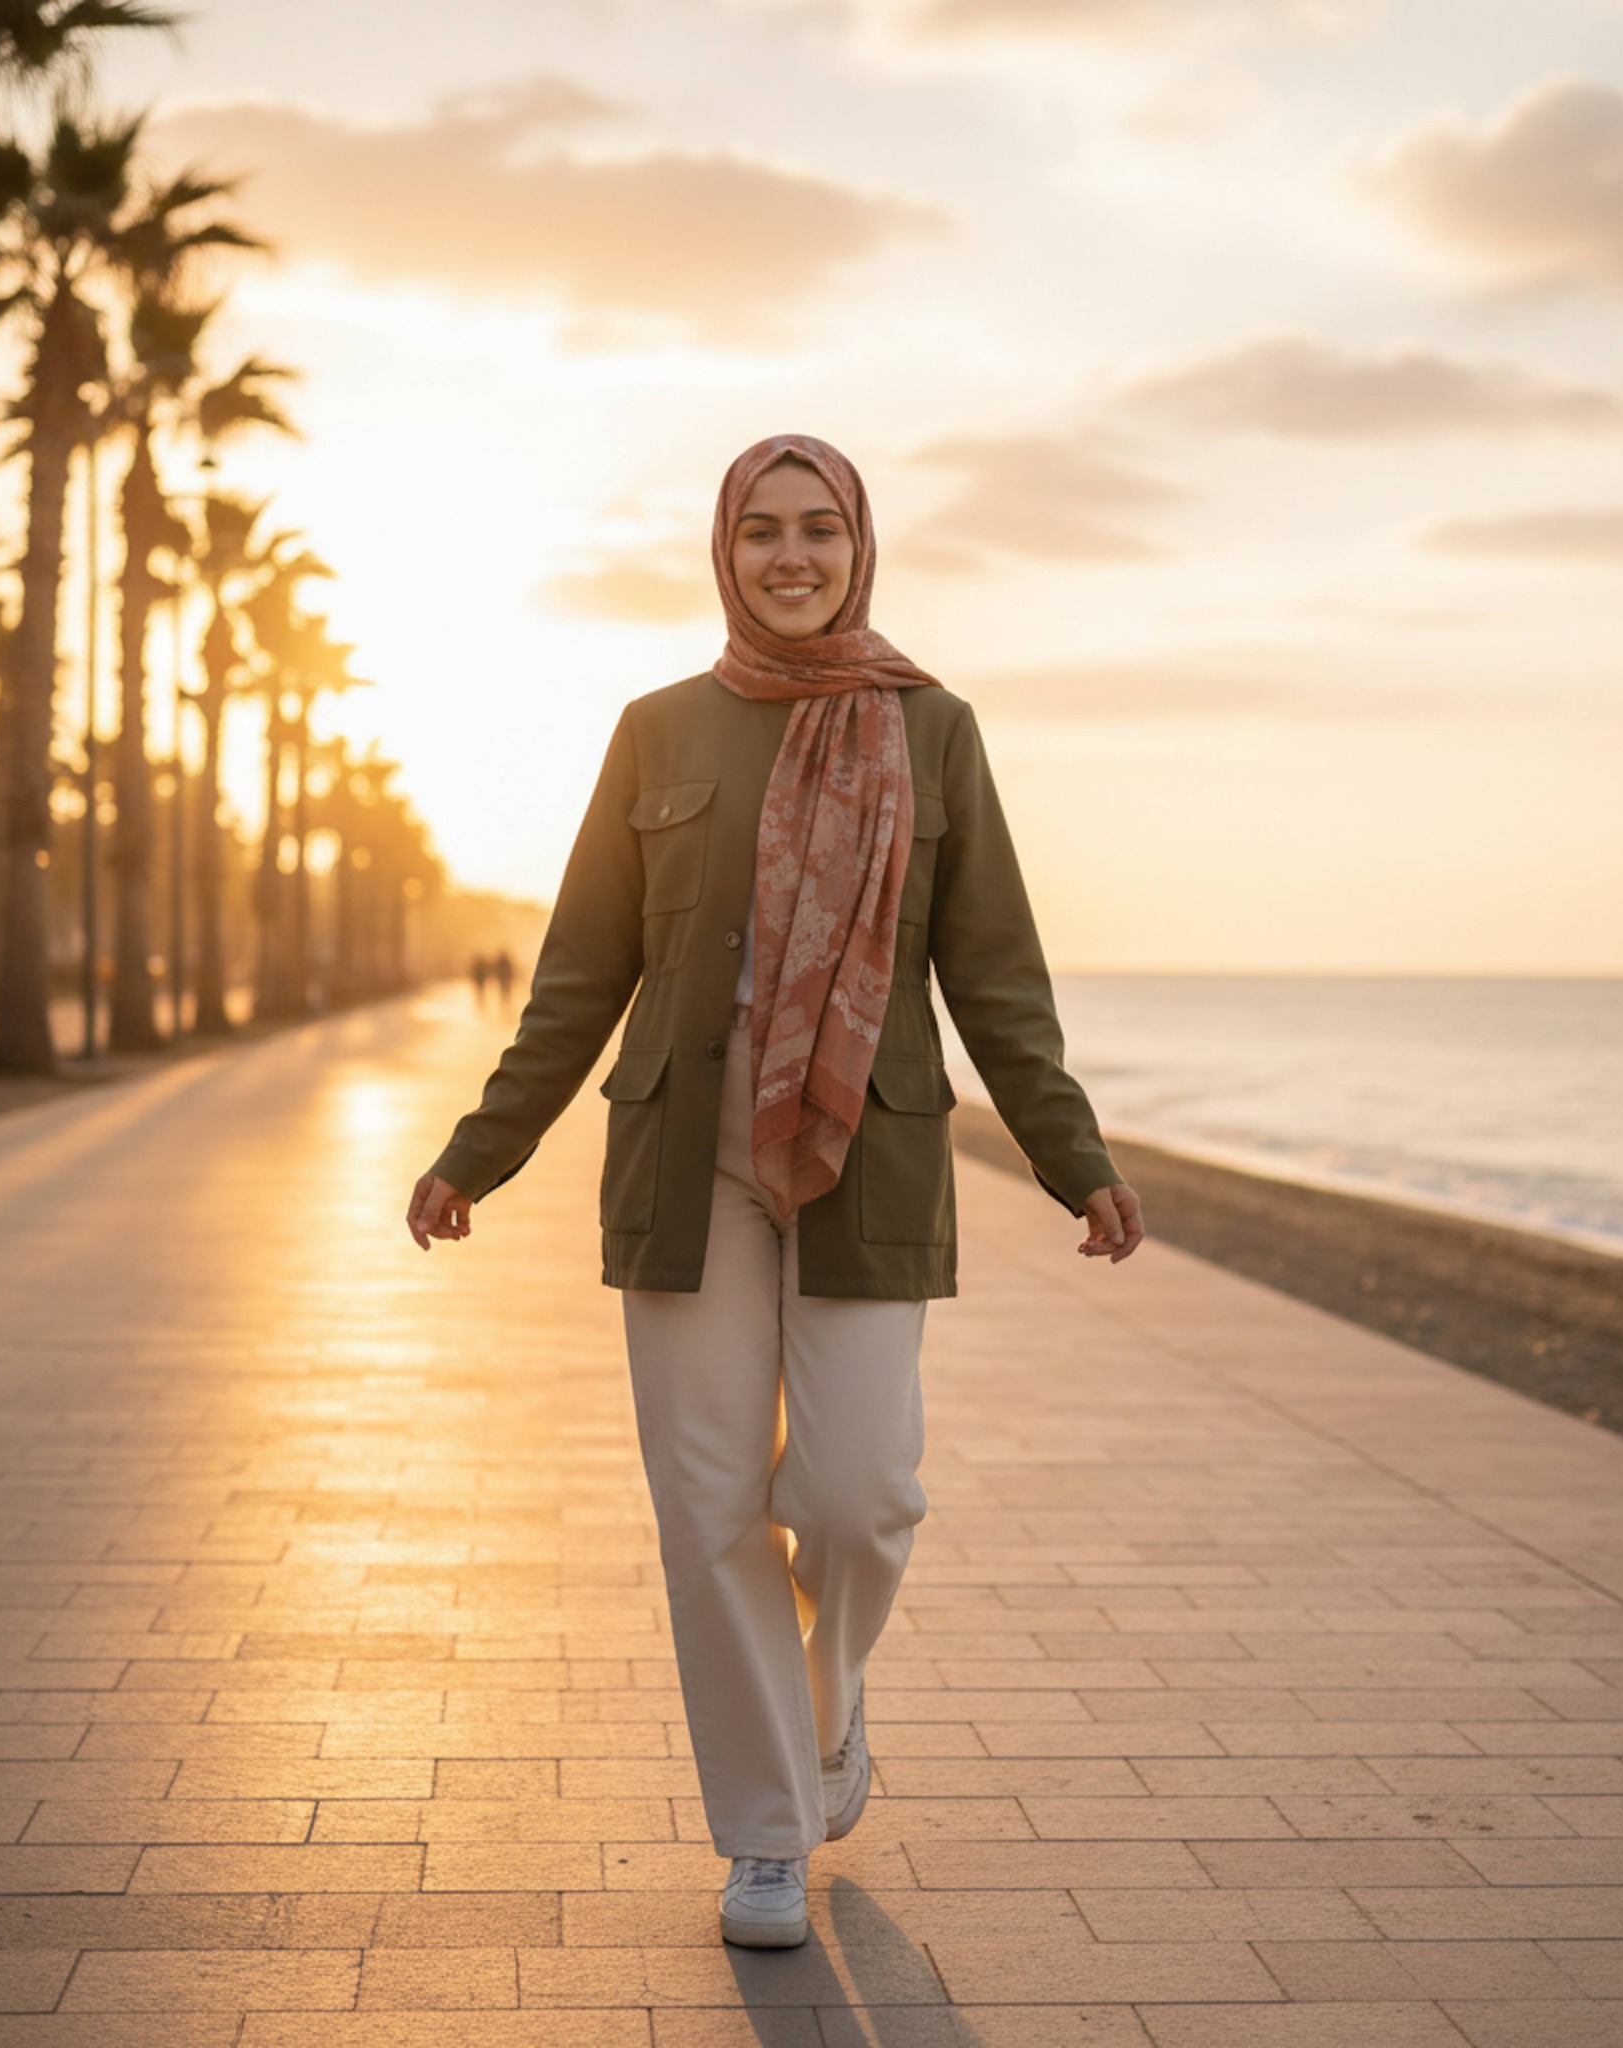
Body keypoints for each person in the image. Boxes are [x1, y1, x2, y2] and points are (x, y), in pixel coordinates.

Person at [407, 433, 1142, 1949]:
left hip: (865, 1146)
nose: (790, 556)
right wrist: (479, 1150)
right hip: (691, 1158)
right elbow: (581, 976)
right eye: (761, 532)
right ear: (722, 552)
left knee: (861, 1496)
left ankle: (826, 1714)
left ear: (860, 548)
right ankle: (764, 1836)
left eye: (818, 530)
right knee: (710, 1504)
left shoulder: (933, 730)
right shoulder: (658, 730)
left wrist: (1076, 1157)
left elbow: (994, 975)